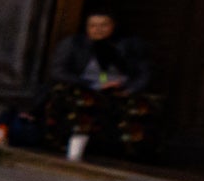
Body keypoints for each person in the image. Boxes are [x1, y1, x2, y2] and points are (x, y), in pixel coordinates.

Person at [30, 10, 157, 160]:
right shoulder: (74, 44)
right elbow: (58, 71)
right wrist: (92, 84)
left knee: (140, 107)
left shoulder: (129, 46)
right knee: (78, 100)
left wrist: (130, 89)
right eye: (93, 26)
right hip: (84, 86)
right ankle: (71, 147)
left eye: (104, 25)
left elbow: (143, 73)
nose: (98, 30)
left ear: (113, 26)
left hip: (118, 88)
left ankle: (128, 152)